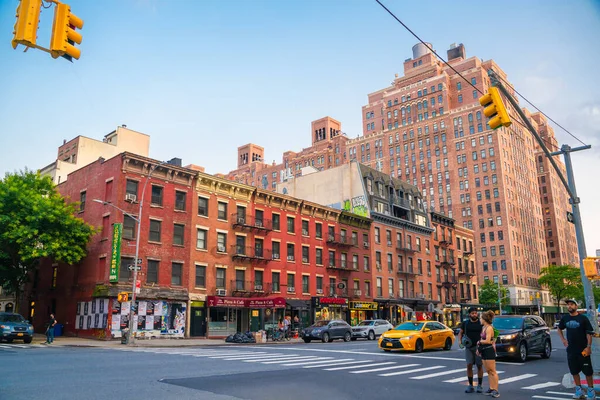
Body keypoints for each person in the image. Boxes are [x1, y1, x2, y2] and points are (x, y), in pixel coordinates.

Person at [557, 299, 595, 400]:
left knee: (588, 372)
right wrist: (563, 340)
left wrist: (588, 346)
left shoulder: (583, 319)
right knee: (574, 371)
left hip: (583, 350)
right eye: (568, 305)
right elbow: (559, 329)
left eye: (571, 304)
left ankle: (591, 392)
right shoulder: (565, 318)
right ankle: (579, 391)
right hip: (571, 350)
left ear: (576, 306)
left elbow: (589, 333)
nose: (569, 306)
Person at [458, 307, 484, 393]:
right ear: (469, 314)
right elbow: (460, 333)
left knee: (479, 365)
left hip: (479, 347)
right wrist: (460, 341)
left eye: (475, 313)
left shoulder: (481, 323)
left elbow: (485, 332)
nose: (474, 314)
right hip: (468, 347)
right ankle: (470, 385)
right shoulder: (465, 323)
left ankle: (479, 385)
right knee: (469, 365)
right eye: (472, 313)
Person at [477, 310, 499, 398]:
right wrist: (479, 347)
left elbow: (487, 341)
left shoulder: (489, 328)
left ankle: (496, 390)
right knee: (488, 371)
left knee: (492, 371)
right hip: (484, 350)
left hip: (489, 350)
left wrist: (479, 341)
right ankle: (491, 388)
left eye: (481, 318)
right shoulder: (484, 328)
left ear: (484, 319)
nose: (480, 320)